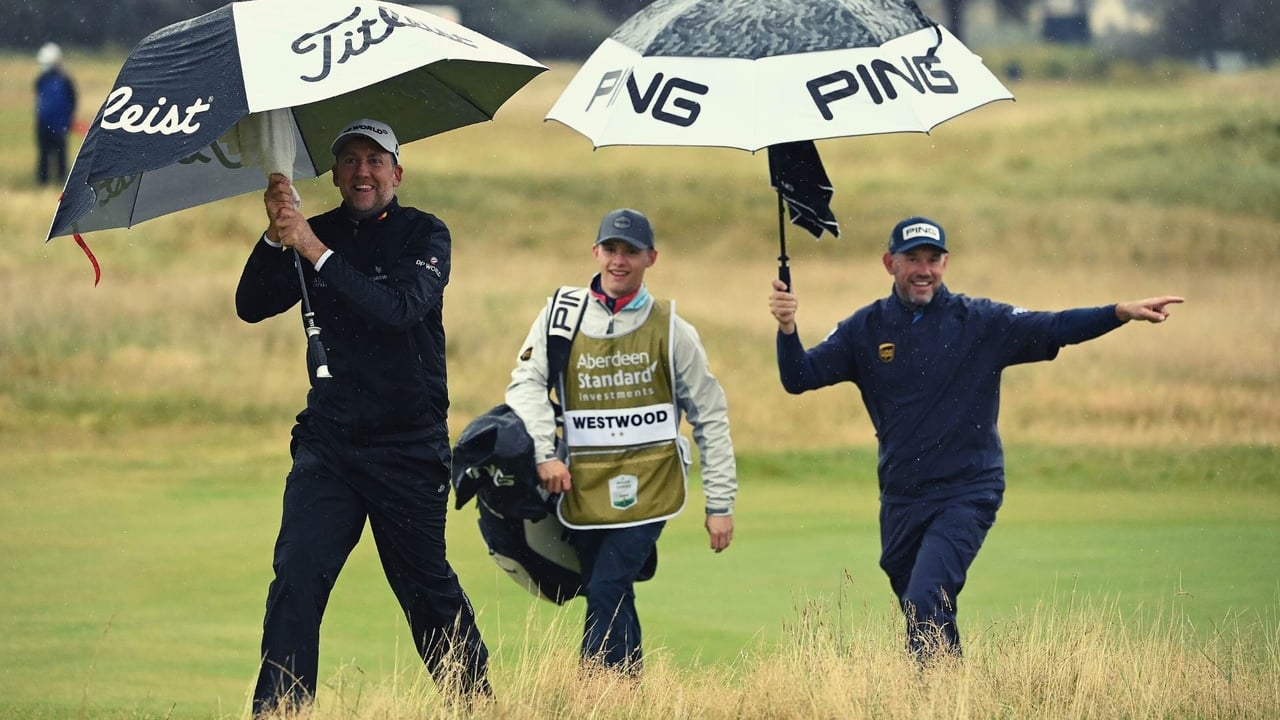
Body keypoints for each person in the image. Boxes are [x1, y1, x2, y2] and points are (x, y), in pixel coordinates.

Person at [767, 215, 1183, 660]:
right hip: (902, 496)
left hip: (967, 490)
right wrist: (788, 328)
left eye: (933, 258)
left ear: (946, 263)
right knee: (920, 607)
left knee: (927, 599)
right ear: (890, 263)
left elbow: (1053, 326)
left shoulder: (980, 321)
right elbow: (799, 376)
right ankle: (953, 697)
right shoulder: (865, 329)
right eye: (912, 259)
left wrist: (1118, 312)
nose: (923, 269)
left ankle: (933, 701)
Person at [235, 118, 490, 714]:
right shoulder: (310, 233)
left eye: (376, 160)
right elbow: (251, 305)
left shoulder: (425, 234)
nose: (363, 171)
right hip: (330, 446)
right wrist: (277, 237)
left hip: (407, 445)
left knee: (425, 592)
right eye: (350, 160)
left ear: (397, 172)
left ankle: (479, 707)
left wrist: (311, 249)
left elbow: (397, 309)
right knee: (296, 581)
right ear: (335, 174)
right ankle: (278, 711)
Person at [505, 208, 738, 674]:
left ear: (651, 257)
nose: (619, 260)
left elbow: (709, 413)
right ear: (595, 252)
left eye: (630, 251)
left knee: (608, 585)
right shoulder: (561, 315)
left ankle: (590, 691)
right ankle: (628, 693)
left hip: (653, 486)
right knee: (608, 588)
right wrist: (544, 453)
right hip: (581, 485)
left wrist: (720, 502)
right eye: (611, 249)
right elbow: (525, 383)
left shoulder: (673, 328)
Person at [34, 42, 76, 186]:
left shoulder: (64, 80)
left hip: (59, 123)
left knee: (60, 154)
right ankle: (42, 180)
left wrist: (67, 119)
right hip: (43, 122)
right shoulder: (42, 79)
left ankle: (61, 180)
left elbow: (72, 100)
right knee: (43, 154)